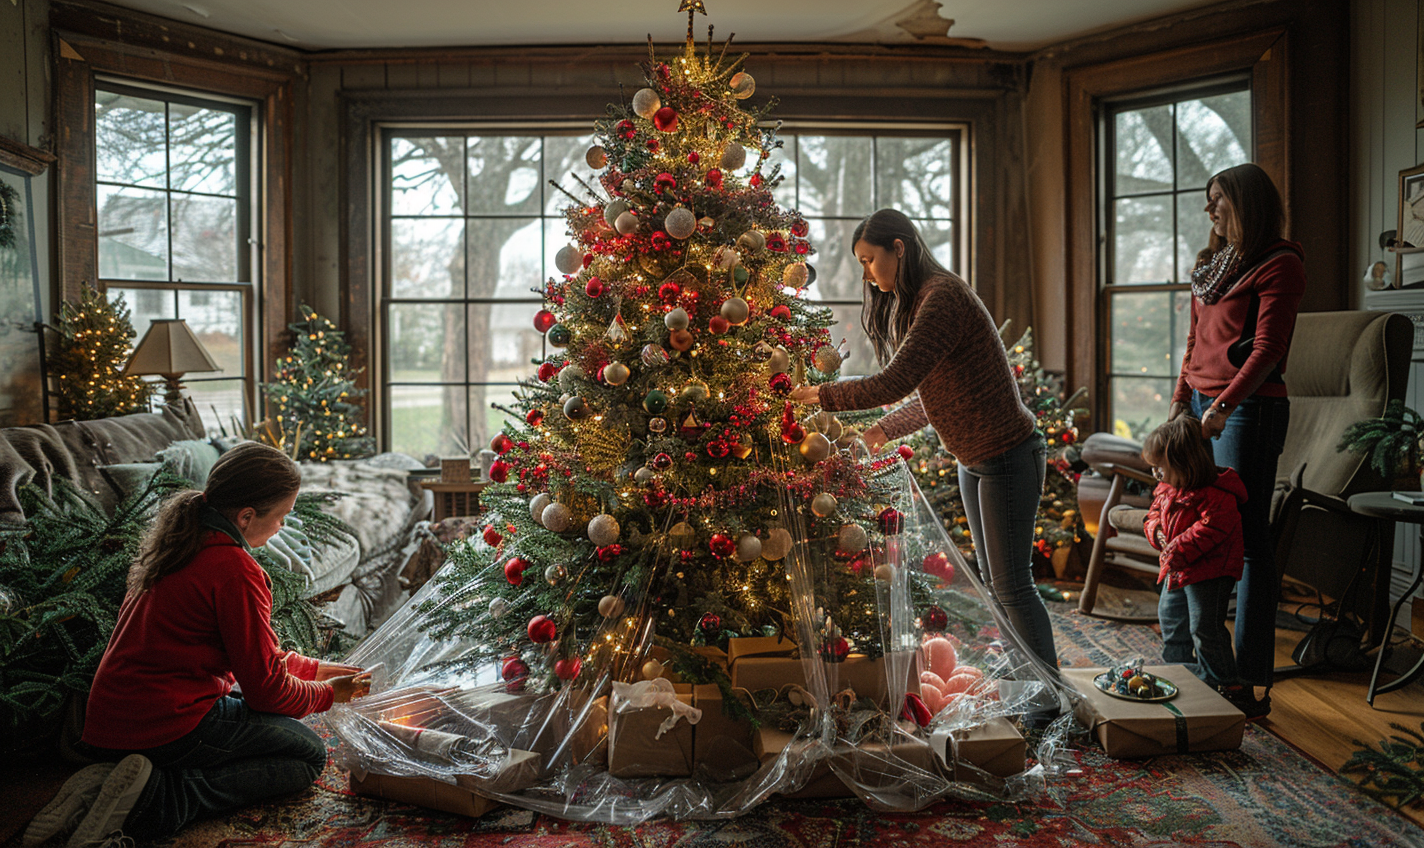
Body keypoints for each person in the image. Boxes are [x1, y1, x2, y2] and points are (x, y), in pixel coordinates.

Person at [23, 442, 371, 848]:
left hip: (113, 720)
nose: (281, 527)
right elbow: (265, 693)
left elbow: (258, 658)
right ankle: (160, 799)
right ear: (246, 516)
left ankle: (105, 782)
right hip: (167, 722)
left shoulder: (181, 540)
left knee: (272, 731)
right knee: (306, 755)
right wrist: (328, 695)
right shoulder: (235, 570)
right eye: (281, 517)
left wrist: (321, 671)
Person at [790, 208, 1059, 679]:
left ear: (900, 247)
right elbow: (933, 394)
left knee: (1013, 586)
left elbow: (896, 381)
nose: (867, 276)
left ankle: (1050, 697)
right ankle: (1030, 685)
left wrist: (825, 394)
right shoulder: (920, 301)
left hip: (1008, 456)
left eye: (870, 260)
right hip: (974, 461)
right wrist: (882, 430)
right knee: (998, 587)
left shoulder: (942, 297)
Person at [1169, 162, 1304, 715]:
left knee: (1246, 538)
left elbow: (1269, 347)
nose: (1209, 209)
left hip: (1246, 410)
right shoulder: (1210, 266)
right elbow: (1194, 342)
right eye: (1207, 199)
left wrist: (1224, 406)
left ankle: (1247, 675)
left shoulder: (1280, 262)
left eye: (1218, 198)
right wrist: (1182, 400)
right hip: (1200, 405)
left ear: (1246, 203)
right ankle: (1200, 662)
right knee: (1193, 516)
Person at [1141, 417, 1264, 718]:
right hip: (1177, 567)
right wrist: (1156, 531)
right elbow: (1153, 514)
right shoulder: (1167, 487)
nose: (1155, 473)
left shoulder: (1217, 494)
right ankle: (1179, 676)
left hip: (1210, 572)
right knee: (1171, 620)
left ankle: (1228, 687)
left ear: (1184, 463)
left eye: (1160, 466)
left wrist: (1177, 547)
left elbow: (1214, 528)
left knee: (1205, 628)